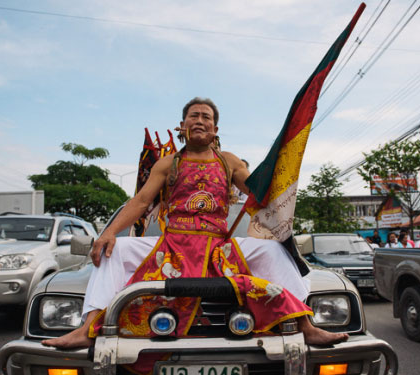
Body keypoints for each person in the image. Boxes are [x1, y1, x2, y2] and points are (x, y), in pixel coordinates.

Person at [43, 97, 347, 351]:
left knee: (272, 252)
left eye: (206, 117)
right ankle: (87, 328)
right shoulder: (168, 163)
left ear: (215, 128)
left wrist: (278, 167)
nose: (199, 120)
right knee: (115, 250)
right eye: (193, 116)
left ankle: (305, 325)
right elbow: (139, 203)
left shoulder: (229, 162)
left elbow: (257, 192)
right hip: (171, 247)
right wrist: (108, 233)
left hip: (220, 249)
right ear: (183, 126)